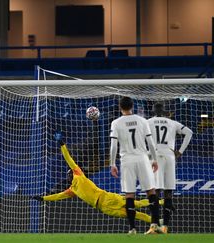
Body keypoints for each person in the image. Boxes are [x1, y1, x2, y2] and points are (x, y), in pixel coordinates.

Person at [33, 132, 163, 225]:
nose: (69, 174)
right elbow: (58, 196)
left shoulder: (78, 174)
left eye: (69, 173)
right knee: (133, 214)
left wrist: (62, 145)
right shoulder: (72, 190)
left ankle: (162, 202)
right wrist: (43, 198)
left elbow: (68, 158)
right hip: (103, 208)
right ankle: (156, 221)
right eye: (68, 174)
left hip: (106, 197)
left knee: (138, 204)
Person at [109, 96, 162, 235]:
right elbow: (150, 143)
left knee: (129, 194)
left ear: (120, 107)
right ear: (132, 106)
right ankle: (155, 225)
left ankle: (132, 229)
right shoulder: (142, 121)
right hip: (143, 158)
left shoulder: (116, 123)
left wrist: (112, 163)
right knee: (151, 191)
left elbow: (113, 145)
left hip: (127, 160)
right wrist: (154, 159)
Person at [148, 103, 193, 233]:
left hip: (156, 155)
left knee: (155, 191)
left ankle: (153, 226)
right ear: (164, 112)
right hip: (169, 156)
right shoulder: (172, 123)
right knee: (168, 191)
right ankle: (165, 227)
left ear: (153, 112)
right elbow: (189, 132)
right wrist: (180, 151)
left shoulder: (148, 122)